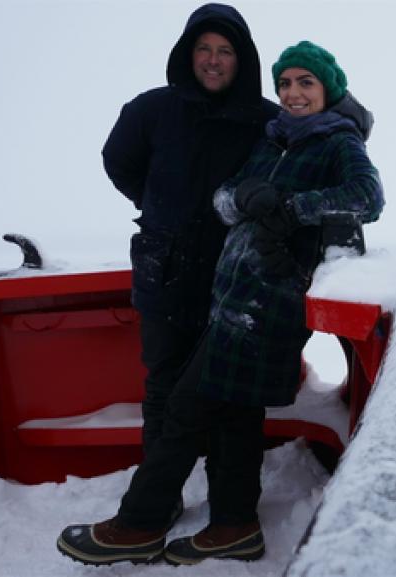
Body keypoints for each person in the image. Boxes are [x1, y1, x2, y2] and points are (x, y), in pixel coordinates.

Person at [57, 41, 384, 566]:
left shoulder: (337, 140)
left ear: (328, 89)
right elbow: (224, 198)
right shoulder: (274, 139)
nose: (293, 94)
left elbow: (368, 197)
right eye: (285, 84)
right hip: (233, 297)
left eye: (306, 83)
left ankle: (138, 524)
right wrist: (245, 200)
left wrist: (291, 208)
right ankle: (235, 526)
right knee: (233, 414)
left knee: (186, 410)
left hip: (269, 303)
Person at [102, 3, 279, 457]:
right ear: (188, 53)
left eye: (224, 50)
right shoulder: (151, 109)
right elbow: (118, 160)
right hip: (165, 270)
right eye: (204, 48)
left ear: (242, 60)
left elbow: (304, 158)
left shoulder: (266, 120)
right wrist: (155, 203)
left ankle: (228, 505)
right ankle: (158, 496)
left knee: (232, 390)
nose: (213, 60)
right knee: (163, 383)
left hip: (232, 279)